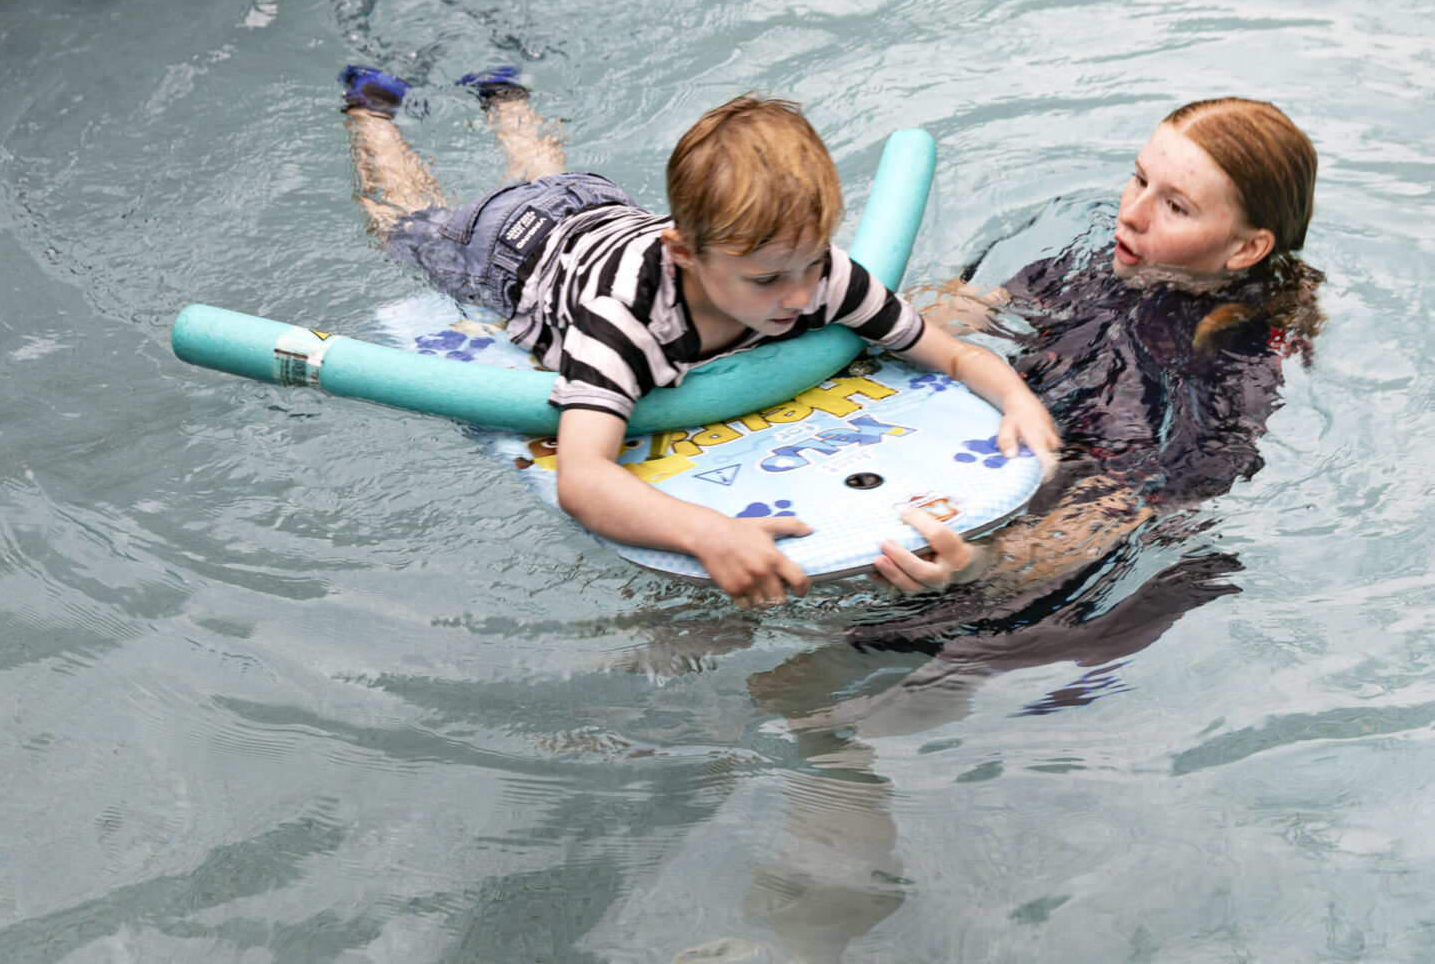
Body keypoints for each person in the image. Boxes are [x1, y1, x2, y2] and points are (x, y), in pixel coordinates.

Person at [337, 64, 1059, 610]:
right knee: (404, 224)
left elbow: (952, 353)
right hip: (511, 249)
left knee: (544, 174)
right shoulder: (626, 319)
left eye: (813, 264)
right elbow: (584, 479)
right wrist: (707, 532)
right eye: (767, 279)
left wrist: (1018, 398)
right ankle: (371, 112)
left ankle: (504, 94)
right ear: (684, 255)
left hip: (596, 207)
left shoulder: (818, 272)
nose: (801, 296)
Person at [860, 96, 1323, 629]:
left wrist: (981, 566)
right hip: (1021, 464)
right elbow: (967, 309)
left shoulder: (1230, 366)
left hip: (1097, 583)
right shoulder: (1100, 263)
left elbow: (1127, 505)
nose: (1131, 213)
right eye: (1139, 179)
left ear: (1246, 249)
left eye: (1175, 207)